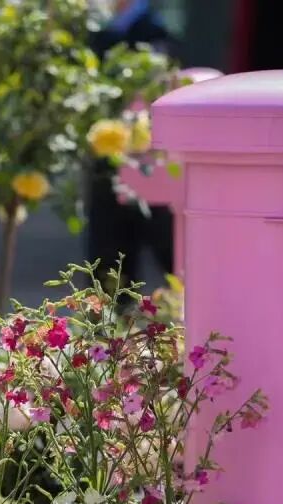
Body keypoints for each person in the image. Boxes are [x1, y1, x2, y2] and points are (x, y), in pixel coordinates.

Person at [87, 0, 173, 290]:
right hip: (106, 155)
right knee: (107, 252)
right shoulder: (100, 26)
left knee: (166, 245)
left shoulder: (153, 29)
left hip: (146, 156)